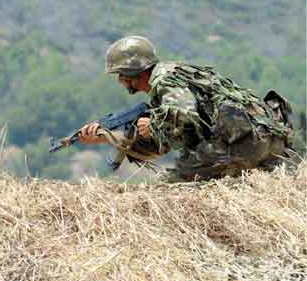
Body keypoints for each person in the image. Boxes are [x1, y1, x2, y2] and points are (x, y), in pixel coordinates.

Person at [78, 36, 295, 182]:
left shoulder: (164, 80)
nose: (120, 81)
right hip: (268, 140)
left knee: (167, 191)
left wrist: (152, 125)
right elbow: (158, 148)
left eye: (120, 74)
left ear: (132, 72)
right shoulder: (177, 75)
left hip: (242, 144)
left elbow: (185, 115)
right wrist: (108, 137)